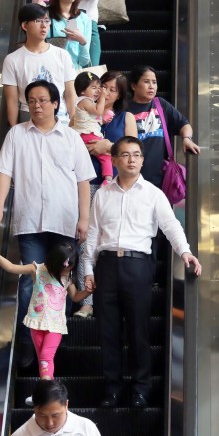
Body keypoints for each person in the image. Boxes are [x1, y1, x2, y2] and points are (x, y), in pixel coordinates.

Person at [82, 137, 202, 408]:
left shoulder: (153, 193)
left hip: (138, 266)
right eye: (125, 155)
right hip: (107, 265)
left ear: (143, 160)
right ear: (114, 160)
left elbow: (171, 226)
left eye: (136, 155)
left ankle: (140, 390)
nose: (132, 160)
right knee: (108, 331)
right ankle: (112, 389)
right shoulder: (102, 194)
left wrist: (184, 252)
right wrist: (87, 269)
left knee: (139, 331)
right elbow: (92, 235)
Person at [0, 80, 94, 368]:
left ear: (56, 103)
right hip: (29, 221)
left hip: (65, 222)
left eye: (43, 100)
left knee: (61, 284)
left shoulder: (70, 138)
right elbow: (4, 172)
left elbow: (84, 180)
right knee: (29, 286)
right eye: (31, 100)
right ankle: (26, 346)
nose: (36, 105)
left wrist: (84, 218)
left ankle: (55, 345)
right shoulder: (17, 135)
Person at [74, 70, 138, 319]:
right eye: (104, 87)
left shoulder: (125, 117)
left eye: (113, 89)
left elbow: (133, 153)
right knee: (85, 242)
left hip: (115, 188)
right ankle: (86, 301)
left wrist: (107, 147)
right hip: (87, 183)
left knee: (112, 244)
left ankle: (112, 302)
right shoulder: (84, 110)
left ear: (121, 93)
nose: (106, 92)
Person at [0, 243, 86, 379]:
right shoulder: (38, 269)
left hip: (55, 326)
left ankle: (45, 387)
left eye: (69, 269)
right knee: (43, 359)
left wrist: (88, 292)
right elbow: (12, 267)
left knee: (46, 357)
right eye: (64, 269)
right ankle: (47, 391)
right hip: (36, 324)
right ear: (54, 262)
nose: (65, 272)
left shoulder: (67, 278)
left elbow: (75, 296)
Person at [1, 3, 77, 126]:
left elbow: (70, 94)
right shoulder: (12, 60)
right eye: (38, 21)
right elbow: (12, 101)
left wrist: (73, 123)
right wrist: (14, 129)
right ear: (25, 25)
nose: (44, 26)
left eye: (47, 21)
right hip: (28, 119)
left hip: (59, 118)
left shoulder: (62, 55)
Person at [126, 65, 199, 189]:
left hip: (161, 179)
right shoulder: (125, 109)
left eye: (154, 82)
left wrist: (186, 138)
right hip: (132, 177)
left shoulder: (161, 104)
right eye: (146, 82)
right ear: (134, 86)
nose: (151, 86)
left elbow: (183, 123)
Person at [48, 0, 94, 69]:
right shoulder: (45, 15)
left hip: (74, 75)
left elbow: (84, 61)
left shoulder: (84, 19)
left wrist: (82, 41)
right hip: (50, 73)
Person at [72, 70, 113, 183]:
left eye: (99, 88)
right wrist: (103, 98)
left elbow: (93, 119)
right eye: (94, 88)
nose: (98, 91)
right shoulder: (85, 101)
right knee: (105, 155)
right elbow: (99, 111)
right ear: (82, 91)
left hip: (86, 133)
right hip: (87, 134)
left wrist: (102, 121)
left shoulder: (87, 102)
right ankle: (108, 179)